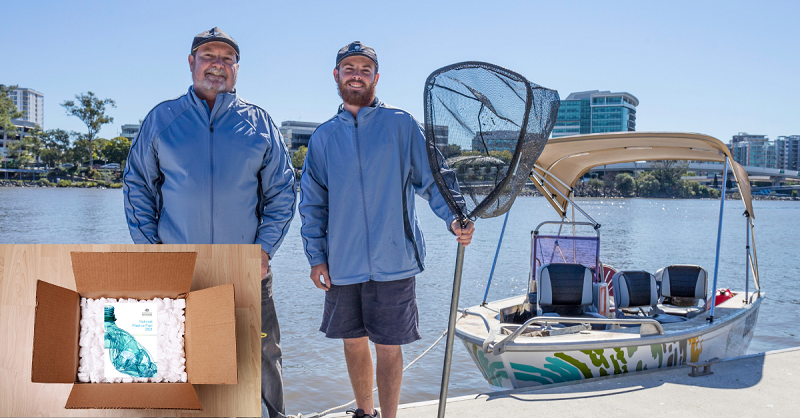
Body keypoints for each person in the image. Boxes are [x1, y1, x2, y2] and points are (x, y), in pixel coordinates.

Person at [123, 27, 295, 418]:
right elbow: (137, 185)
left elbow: (283, 191)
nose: (217, 65)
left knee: (262, 353)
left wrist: (264, 250)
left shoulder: (259, 122)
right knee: (178, 355)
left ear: (237, 68)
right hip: (181, 265)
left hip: (247, 267)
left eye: (226, 59)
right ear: (191, 63)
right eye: (208, 56)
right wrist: (153, 251)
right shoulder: (162, 118)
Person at [299, 41, 475, 418]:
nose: (357, 75)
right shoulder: (323, 138)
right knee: (352, 342)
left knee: (389, 346)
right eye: (349, 68)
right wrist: (316, 257)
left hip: (394, 259)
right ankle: (365, 413)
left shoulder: (401, 124)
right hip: (342, 262)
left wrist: (454, 215)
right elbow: (313, 205)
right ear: (336, 75)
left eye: (365, 69)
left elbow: (435, 178)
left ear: (376, 77)